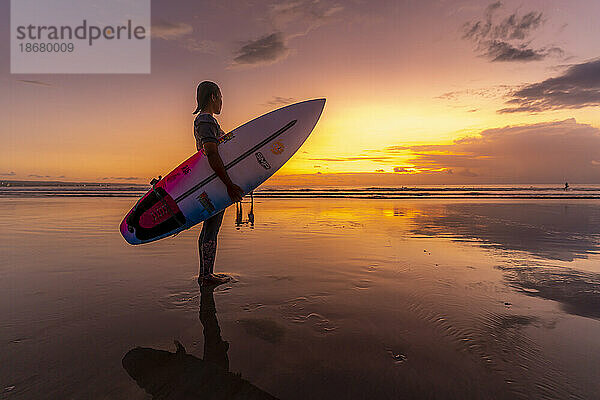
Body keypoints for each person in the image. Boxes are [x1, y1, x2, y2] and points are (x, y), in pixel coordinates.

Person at [193, 81, 243, 287]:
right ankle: (206, 275)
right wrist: (229, 184)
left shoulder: (206, 121)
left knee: (210, 227)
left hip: (213, 180)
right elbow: (211, 153)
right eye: (220, 96)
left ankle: (206, 273)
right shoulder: (205, 120)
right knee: (211, 227)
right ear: (213, 97)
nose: (222, 101)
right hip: (215, 182)